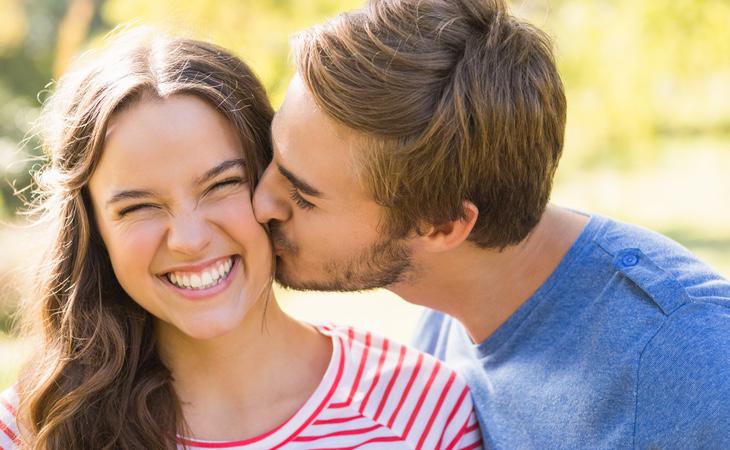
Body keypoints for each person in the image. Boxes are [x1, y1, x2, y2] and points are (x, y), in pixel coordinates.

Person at [251, 0, 730, 448]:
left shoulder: (688, 354)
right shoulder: (448, 303)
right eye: (274, 155)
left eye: (302, 195)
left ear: (442, 226)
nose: (260, 203)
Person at [0, 29, 482, 449]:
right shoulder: (30, 428)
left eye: (221, 185)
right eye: (138, 207)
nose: (188, 239)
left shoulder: (423, 412)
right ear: (95, 231)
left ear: (273, 181)